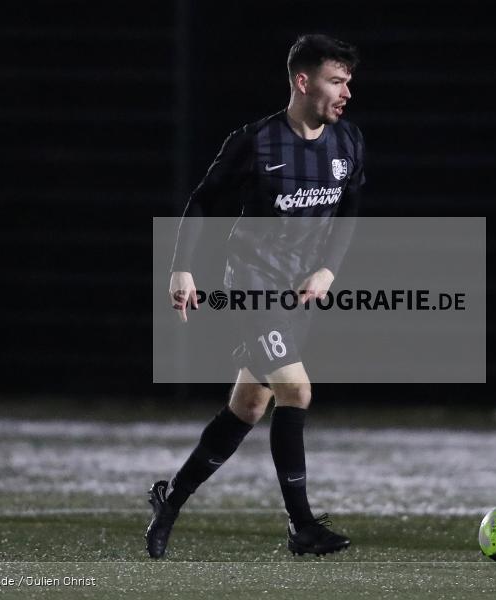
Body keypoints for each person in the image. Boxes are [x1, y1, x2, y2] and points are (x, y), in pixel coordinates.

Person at [146, 33, 365, 559]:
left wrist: (327, 272)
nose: (346, 93)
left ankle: (169, 499)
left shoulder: (349, 142)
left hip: (298, 294)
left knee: (248, 406)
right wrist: (181, 270)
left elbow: (350, 212)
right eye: (337, 81)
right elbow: (202, 202)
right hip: (252, 285)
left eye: (349, 83)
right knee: (297, 391)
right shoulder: (257, 141)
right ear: (302, 81)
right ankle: (302, 527)